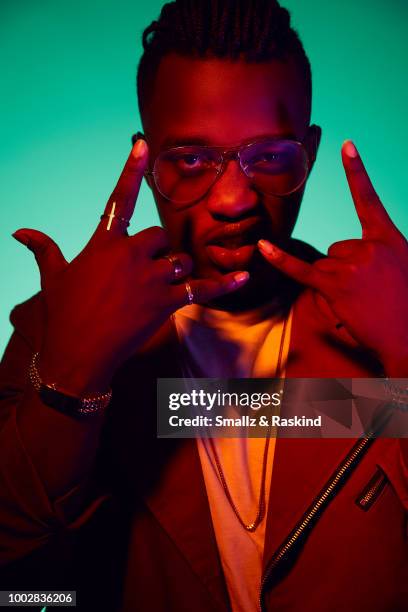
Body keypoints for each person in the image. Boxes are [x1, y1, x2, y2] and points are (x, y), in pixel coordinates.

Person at [0, 1, 407, 610]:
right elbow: (20, 584)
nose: (234, 198)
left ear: (310, 152)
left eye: (269, 156)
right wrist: (69, 380)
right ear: (147, 157)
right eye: (191, 159)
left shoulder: (375, 322)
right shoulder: (59, 328)